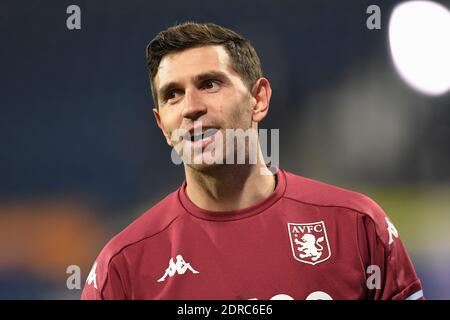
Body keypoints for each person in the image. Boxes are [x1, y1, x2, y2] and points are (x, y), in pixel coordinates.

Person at [81, 22, 424, 300]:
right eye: (173, 94)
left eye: (210, 84)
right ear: (163, 126)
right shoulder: (123, 266)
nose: (190, 107)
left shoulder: (356, 226)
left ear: (259, 99)